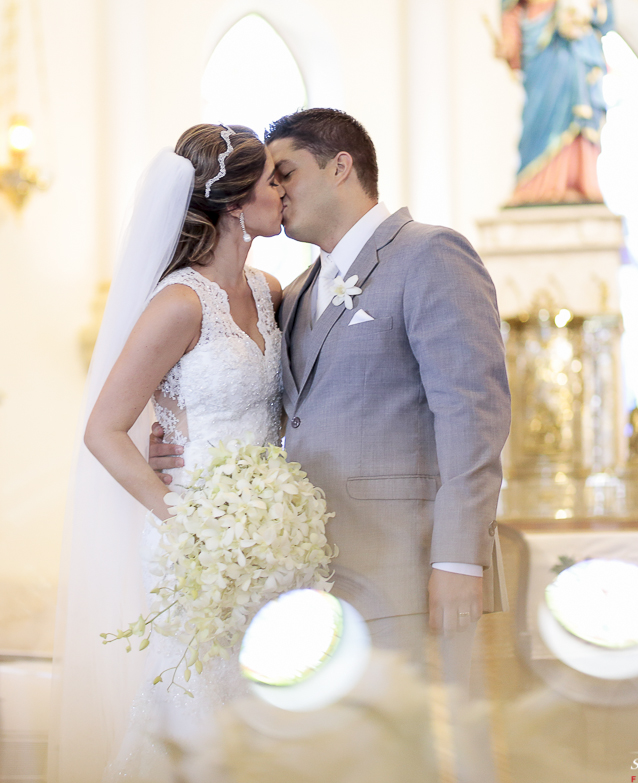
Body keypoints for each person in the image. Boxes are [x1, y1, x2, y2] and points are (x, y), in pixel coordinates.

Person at [150, 108, 511, 688]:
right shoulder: (289, 294)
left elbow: (474, 415)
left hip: (410, 570)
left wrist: (458, 560)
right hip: (310, 581)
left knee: (431, 762)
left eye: (284, 172)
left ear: (340, 166)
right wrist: (177, 441)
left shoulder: (431, 255)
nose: (274, 190)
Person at [52, 123, 285, 783]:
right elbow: (103, 430)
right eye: (272, 178)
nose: (282, 190)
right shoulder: (179, 303)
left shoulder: (269, 291)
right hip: (194, 544)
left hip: (269, 539)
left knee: (260, 724)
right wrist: (182, 518)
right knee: (197, 719)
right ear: (237, 202)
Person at [493, 0, 613, 205]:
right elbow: (512, 10)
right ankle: (536, 185)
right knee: (540, 114)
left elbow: (602, 12)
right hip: (539, 43)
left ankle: (580, 181)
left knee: (578, 109)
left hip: (576, 44)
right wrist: (509, 42)